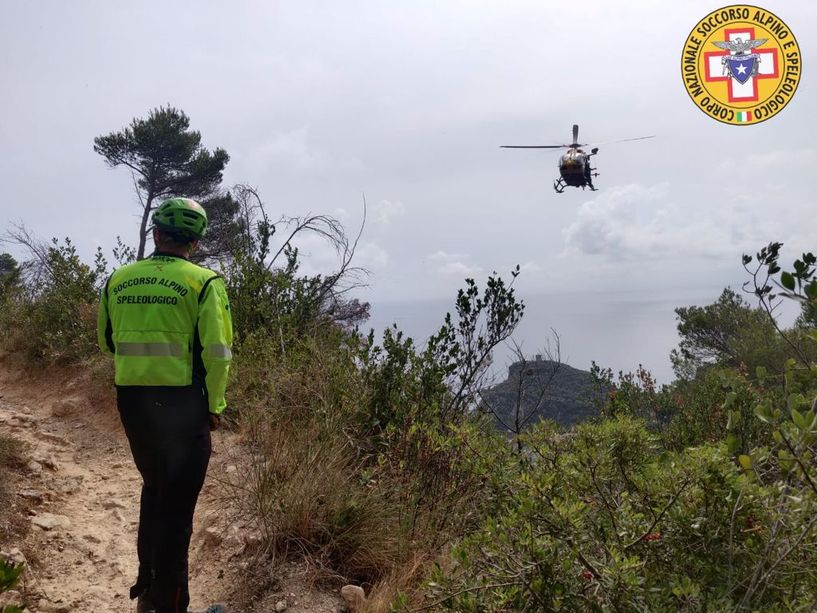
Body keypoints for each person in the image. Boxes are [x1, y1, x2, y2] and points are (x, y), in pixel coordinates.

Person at [97, 197, 233, 613]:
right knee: (177, 513)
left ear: (157, 234)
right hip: (183, 408)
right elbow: (218, 353)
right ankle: (170, 606)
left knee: (154, 491)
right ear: (195, 241)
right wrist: (216, 405)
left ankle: (148, 595)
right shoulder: (205, 282)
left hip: (133, 404)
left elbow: (107, 342)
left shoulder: (118, 278)